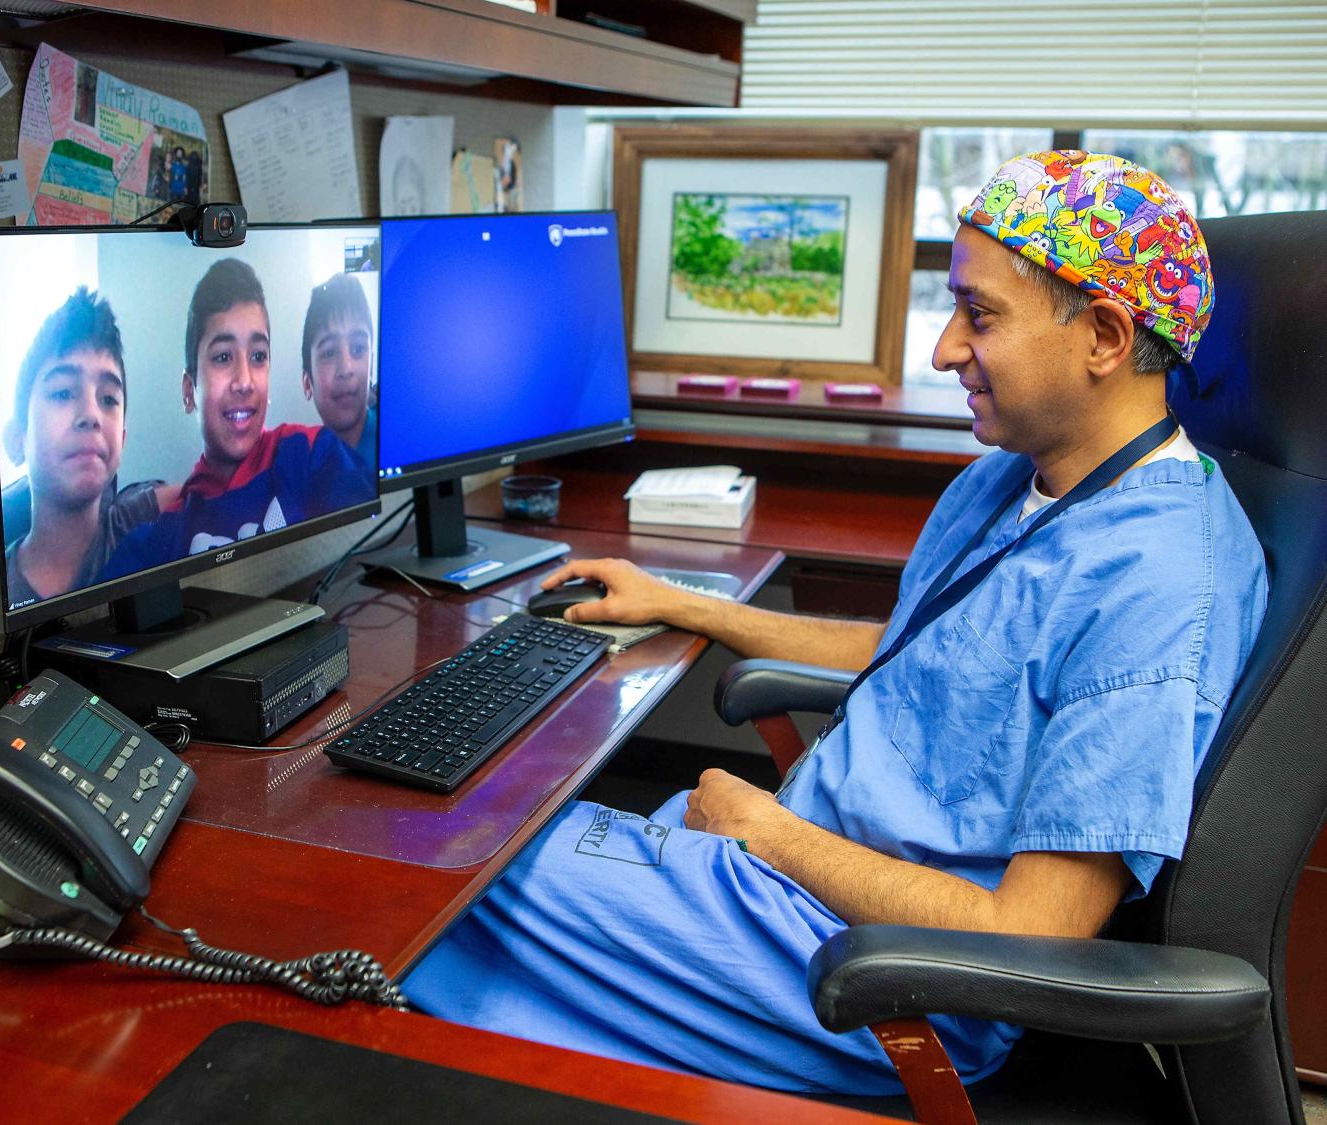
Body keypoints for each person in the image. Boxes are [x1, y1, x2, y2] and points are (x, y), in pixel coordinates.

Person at [401, 152, 1269, 1094]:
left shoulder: (1160, 583)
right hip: (789, 874)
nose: (943, 350)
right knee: (469, 861)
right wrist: (680, 602)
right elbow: (919, 658)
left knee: (440, 871)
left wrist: (767, 831)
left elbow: (1031, 933)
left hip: (880, 975)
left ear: (1104, 335)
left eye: (980, 316)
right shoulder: (1020, 479)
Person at [100, 258, 373, 576]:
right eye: (223, 357)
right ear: (190, 391)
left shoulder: (310, 455)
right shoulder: (164, 534)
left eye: (258, 356)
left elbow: (373, 539)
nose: (244, 381)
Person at [1, 288, 160, 607]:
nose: (91, 415)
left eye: (108, 399)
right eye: (62, 394)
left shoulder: (146, 528)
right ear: (17, 437)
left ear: (123, 440)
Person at [301, 273, 377, 470]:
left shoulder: (393, 438)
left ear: (371, 366)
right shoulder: (304, 468)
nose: (346, 368)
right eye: (329, 353)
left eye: (358, 348)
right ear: (307, 382)